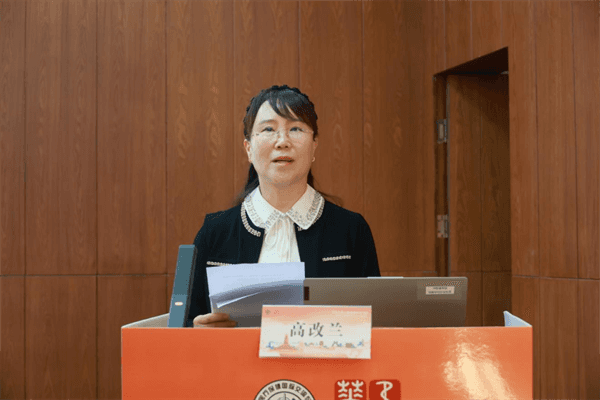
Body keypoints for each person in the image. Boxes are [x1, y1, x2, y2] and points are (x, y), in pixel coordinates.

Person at [189, 84, 380, 328]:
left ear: (314, 145)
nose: (282, 141)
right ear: (248, 149)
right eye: (268, 129)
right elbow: (184, 325)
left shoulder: (351, 230)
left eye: (296, 129)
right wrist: (197, 332)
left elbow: (376, 325)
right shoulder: (214, 232)